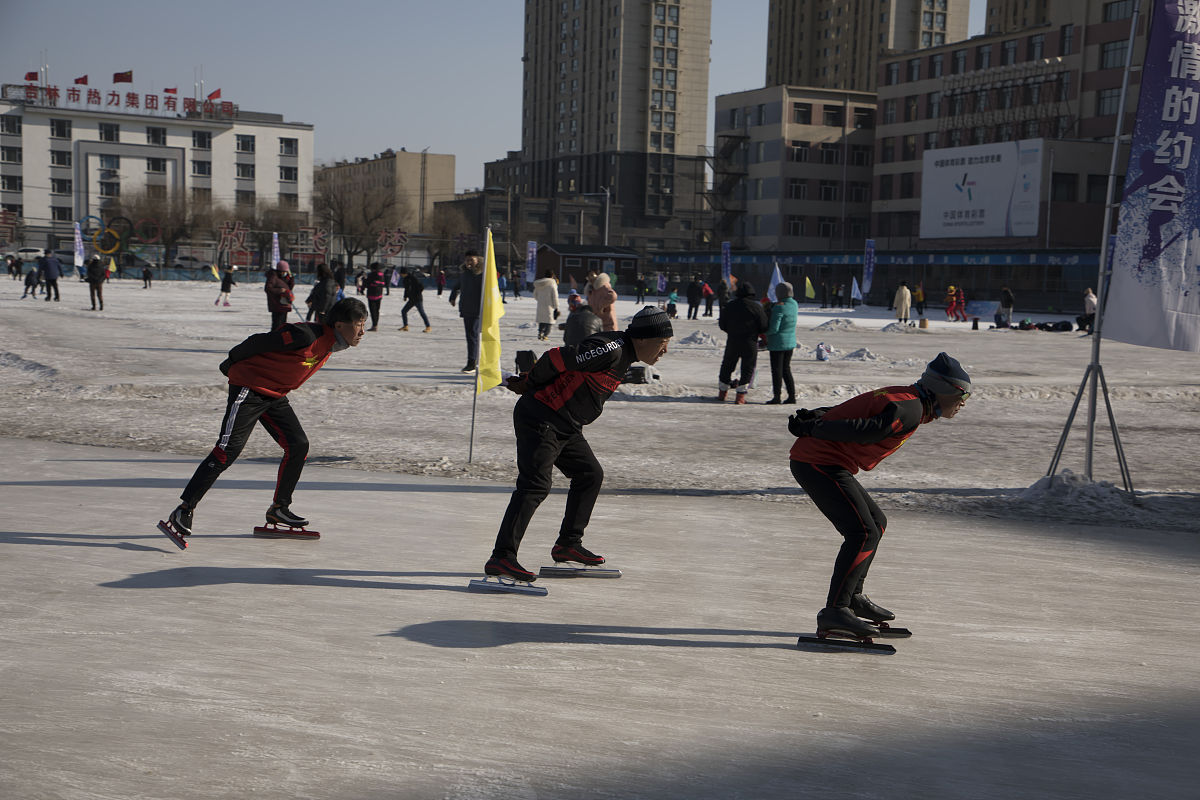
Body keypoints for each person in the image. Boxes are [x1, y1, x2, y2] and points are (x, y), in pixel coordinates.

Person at [788, 352, 972, 641]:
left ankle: (852, 598)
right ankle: (836, 610)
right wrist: (817, 426)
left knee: (876, 522)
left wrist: (819, 416)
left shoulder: (910, 400)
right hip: (818, 461)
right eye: (962, 396)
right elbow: (868, 430)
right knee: (862, 532)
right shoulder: (910, 408)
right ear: (943, 392)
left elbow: (854, 410)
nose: (963, 404)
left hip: (824, 460)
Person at [483, 306, 674, 583]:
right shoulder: (611, 348)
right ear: (643, 339)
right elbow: (556, 357)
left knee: (589, 474)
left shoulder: (625, 354)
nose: (664, 350)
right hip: (541, 415)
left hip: (565, 423)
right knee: (535, 485)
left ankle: (568, 545)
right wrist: (529, 382)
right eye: (662, 343)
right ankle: (502, 557)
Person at [159, 298, 369, 546]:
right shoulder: (304, 334)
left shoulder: (331, 343)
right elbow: (257, 342)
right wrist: (230, 364)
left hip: (274, 394)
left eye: (364, 325)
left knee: (298, 444)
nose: (363, 332)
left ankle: (279, 508)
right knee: (228, 449)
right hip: (250, 388)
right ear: (340, 324)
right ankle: (184, 509)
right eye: (358, 325)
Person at [717, 281, 769, 404]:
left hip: (733, 340)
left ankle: (722, 392)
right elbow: (764, 326)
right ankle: (740, 396)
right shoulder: (756, 307)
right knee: (747, 367)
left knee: (727, 365)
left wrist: (731, 330)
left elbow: (722, 324)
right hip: (750, 341)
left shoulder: (730, 306)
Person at [449, 250, 484, 373]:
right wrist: (453, 297)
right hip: (467, 309)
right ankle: (472, 361)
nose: (469, 262)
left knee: (475, 336)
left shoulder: (483, 274)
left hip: (478, 309)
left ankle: (474, 362)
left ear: (477, 260)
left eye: (471, 260)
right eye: (467, 260)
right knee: (471, 336)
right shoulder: (465, 273)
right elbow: (458, 285)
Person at [766, 281, 798, 405]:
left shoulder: (779, 307)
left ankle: (777, 397)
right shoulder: (794, 304)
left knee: (777, 371)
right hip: (790, 342)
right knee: (786, 369)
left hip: (778, 343)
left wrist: (764, 332)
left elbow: (774, 328)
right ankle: (791, 396)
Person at [265, 260, 295, 330]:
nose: (285, 273)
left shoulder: (283, 278)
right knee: (277, 325)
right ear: (280, 271)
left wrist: (291, 278)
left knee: (283, 325)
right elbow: (268, 288)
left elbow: (289, 287)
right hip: (277, 305)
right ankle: (274, 339)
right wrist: (280, 291)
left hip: (284, 304)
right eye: (284, 271)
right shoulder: (273, 277)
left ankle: (280, 338)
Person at [399, 267, 431, 332]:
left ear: (404, 273)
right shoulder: (405, 279)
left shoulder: (413, 278)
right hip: (411, 299)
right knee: (403, 311)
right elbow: (406, 289)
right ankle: (405, 326)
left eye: (401, 273)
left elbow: (421, 287)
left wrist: (417, 294)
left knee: (421, 312)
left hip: (417, 299)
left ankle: (428, 327)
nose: (400, 275)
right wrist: (405, 296)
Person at [533, 268, 560, 341]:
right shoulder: (552, 284)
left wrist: (540, 300)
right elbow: (555, 296)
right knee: (549, 322)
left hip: (540, 305)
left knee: (542, 320)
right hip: (549, 306)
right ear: (552, 275)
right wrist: (556, 307)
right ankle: (545, 335)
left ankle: (540, 333)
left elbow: (535, 295)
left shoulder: (539, 284)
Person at [364, 262, 386, 331]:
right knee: (377, 310)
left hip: (371, 295)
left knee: (373, 311)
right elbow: (383, 284)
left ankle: (374, 325)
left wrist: (365, 279)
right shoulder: (382, 275)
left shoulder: (371, 275)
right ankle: (376, 324)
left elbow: (367, 283)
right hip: (379, 294)